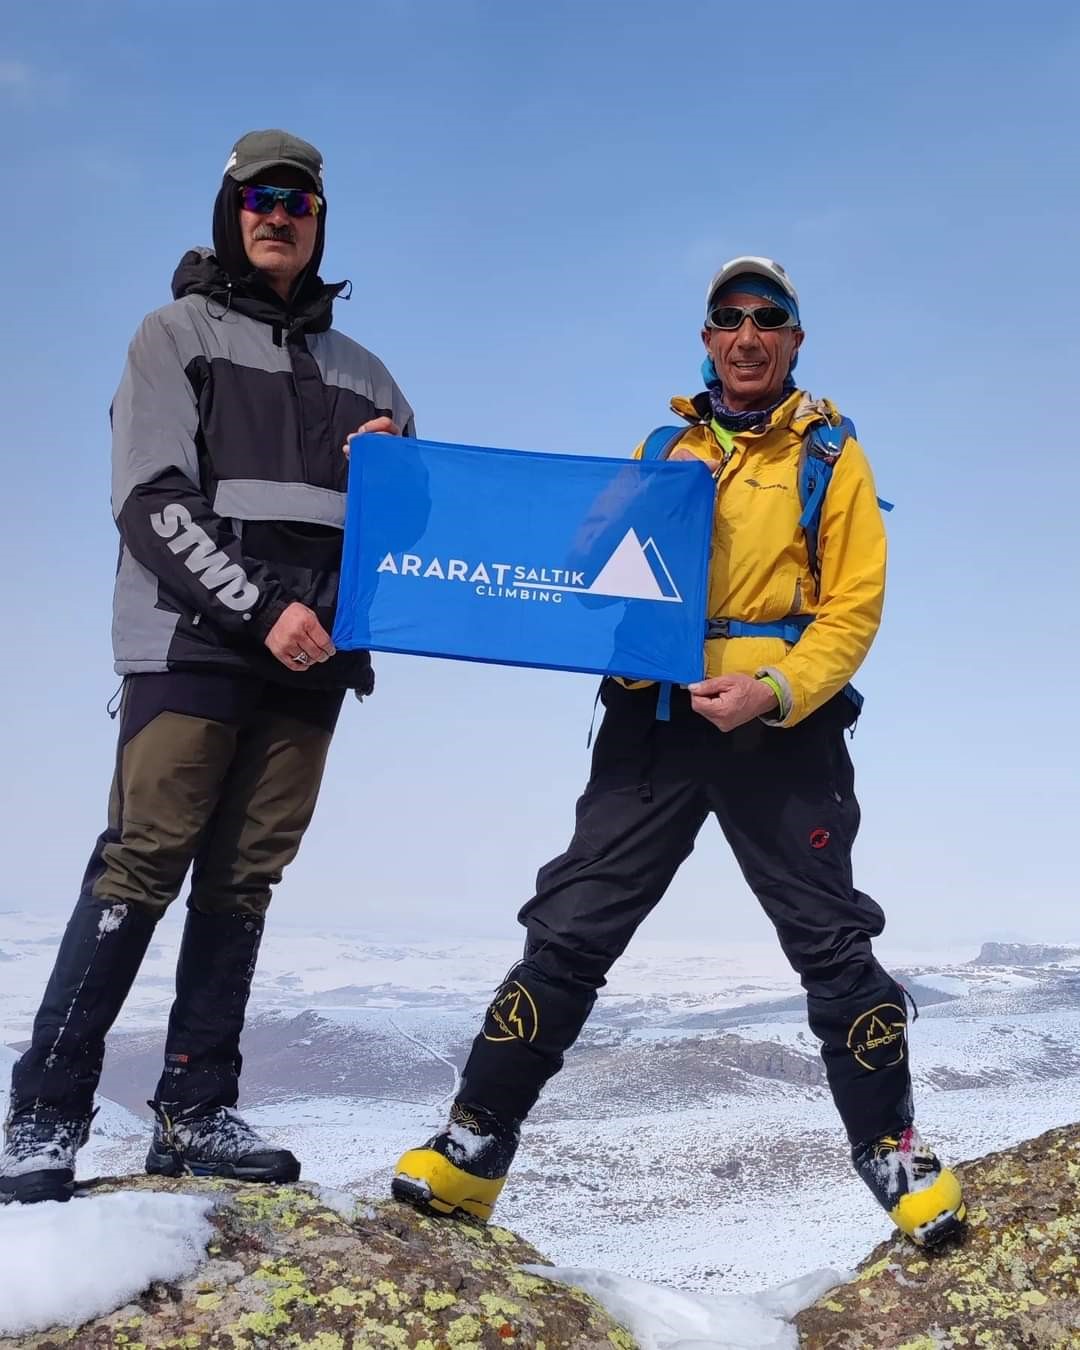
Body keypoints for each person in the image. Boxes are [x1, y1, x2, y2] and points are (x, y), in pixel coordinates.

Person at [392, 256, 966, 1249]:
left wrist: (773, 691)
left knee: (829, 937)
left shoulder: (832, 454)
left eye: (767, 318)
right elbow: (581, 572)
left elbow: (853, 609)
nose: (746, 335)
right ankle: (476, 1144)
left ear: (793, 339)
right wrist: (623, 511)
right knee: (572, 925)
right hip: (650, 719)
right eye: (727, 319)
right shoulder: (663, 446)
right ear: (707, 339)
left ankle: (895, 1151)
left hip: (782, 726)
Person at [1, 129, 415, 1205]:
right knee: (143, 860)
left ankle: (193, 1111)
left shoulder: (367, 375)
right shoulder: (172, 335)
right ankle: (43, 1117)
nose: (278, 214)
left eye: (300, 202)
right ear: (229, 208)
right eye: (258, 197)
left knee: (244, 879)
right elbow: (151, 501)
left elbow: (409, 529)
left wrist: (396, 472)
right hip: (191, 646)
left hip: (312, 663)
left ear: (321, 223)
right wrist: (263, 608)